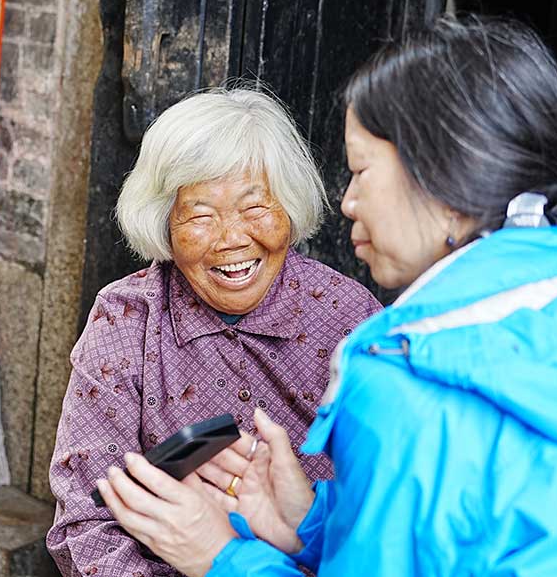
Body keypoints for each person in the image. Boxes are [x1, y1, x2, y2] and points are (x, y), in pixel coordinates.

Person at [94, 16, 557, 576]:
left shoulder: (400, 370)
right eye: (200, 214)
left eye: (362, 170)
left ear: (441, 176)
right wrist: (313, 520)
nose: (349, 202)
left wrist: (220, 559)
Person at [47, 86, 381, 577]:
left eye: (255, 208)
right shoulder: (126, 320)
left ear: (288, 207)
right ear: (164, 223)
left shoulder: (347, 317)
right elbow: (87, 523)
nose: (231, 239)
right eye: (200, 215)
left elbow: (385, 516)